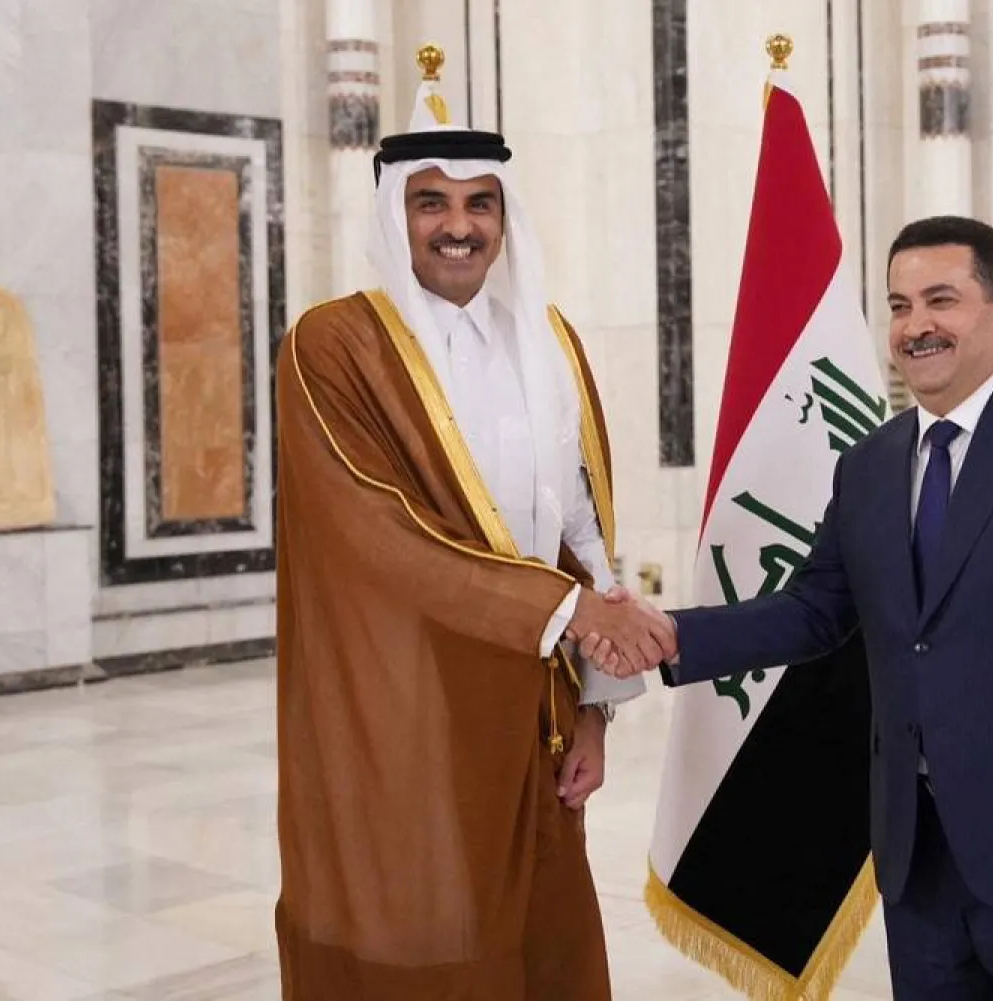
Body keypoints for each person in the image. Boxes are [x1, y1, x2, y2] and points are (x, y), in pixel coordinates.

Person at [585, 216, 993, 1000]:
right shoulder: (870, 463)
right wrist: (672, 634)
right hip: (919, 859)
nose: (916, 326)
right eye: (900, 306)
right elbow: (814, 609)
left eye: (941, 300)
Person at [272, 70, 669, 1000]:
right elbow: (377, 531)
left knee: (539, 933)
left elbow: (581, 529)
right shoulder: (332, 345)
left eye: (480, 203)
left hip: (534, 705)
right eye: (432, 204)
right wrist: (574, 612)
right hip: (399, 702)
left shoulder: (548, 337)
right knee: (417, 926)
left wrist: (596, 706)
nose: (459, 225)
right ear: (394, 216)